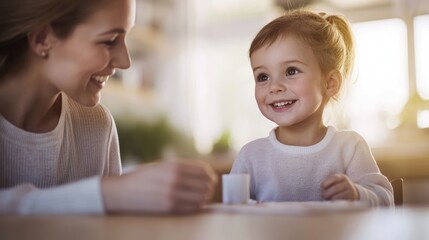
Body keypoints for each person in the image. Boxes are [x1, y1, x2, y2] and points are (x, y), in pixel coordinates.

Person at [0, 0, 217, 215]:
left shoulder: (96, 124)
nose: (125, 62)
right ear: (42, 39)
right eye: (110, 41)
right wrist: (107, 194)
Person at [230, 9, 394, 207]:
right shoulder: (251, 156)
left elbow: (386, 201)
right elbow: (231, 214)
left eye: (291, 71)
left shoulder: (349, 147)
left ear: (330, 83)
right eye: (263, 77)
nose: (274, 87)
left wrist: (357, 194)